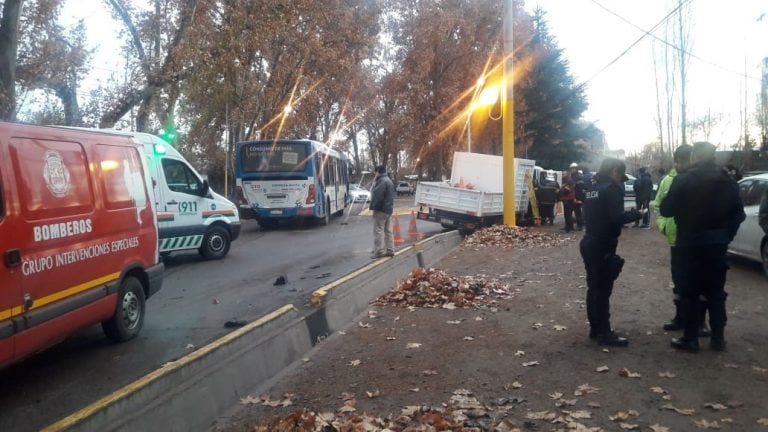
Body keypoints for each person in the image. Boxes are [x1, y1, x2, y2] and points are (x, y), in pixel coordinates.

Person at [659, 142, 745, 352]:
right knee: (715, 291)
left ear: (695, 156)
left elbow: (666, 209)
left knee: (690, 291)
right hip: (717, 244)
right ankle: (718, 338)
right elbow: (739, 214)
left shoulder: (684, 179)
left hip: (690, 244)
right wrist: (725, 236)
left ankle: (690, 338)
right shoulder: (728, 180)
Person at [580, 158, 643, 346]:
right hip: (603, 243)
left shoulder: (592, 188)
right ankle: (604, 333)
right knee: (603, 289)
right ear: (614, 171)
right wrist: (636, 214)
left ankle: (595, 328)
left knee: (594, 287)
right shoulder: (611, 188)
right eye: (619, 175)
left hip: (589, 241)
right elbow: (616, 218)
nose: (619, 180)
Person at [653, 145, 710, 336]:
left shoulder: (702, 180)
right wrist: (663, 225)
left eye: (684, 161)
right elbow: (658, 205)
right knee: (679, 281)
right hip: (676, 241)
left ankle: (701, 322)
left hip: (698, 239)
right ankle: (680, 317)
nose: (680, 165)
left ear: (692, 160)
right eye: (678, 161)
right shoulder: (667, 180)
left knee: (701, 281)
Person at [369, 165, 396, 259]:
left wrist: (374, 209)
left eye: (375, 173)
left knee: (378, 230)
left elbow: (377, 197)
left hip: (381, 210)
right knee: (388, 231)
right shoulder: (389, 181)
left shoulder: (381, 181)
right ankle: (390, 250)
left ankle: (379, 251)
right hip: (388, 210)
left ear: (378, 172)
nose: (375, 175)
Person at [571, 163, 586, 230]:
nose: (572, 170)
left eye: (573, 168)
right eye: (571, 168)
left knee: (578, 212)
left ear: (576, 169)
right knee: (569, 213)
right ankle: (569, 226)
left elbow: (580, 188)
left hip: (577, 197)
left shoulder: (579, 177)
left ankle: (580, 226)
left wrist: (578, 198)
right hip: (570, 197)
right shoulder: (571, 176)